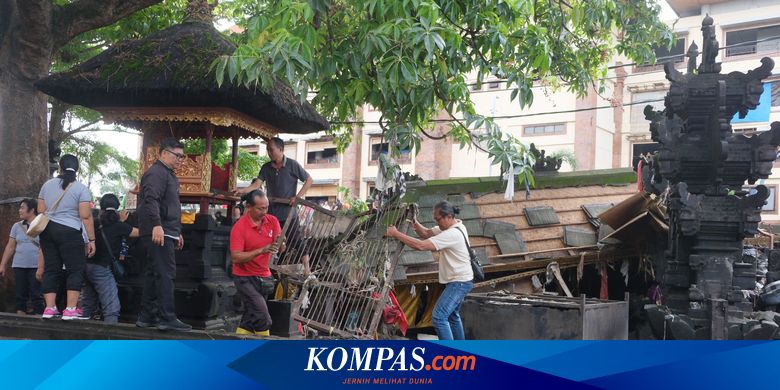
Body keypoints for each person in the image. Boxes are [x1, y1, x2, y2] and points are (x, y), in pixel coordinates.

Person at [385, 201, 473, 340]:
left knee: (439, 317)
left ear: (449, 216)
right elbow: (425, 233)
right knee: (452, 316)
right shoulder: (454, 227)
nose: (437, 223)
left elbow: (421, 245)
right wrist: (414, 221)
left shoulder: (452, 234)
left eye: (438, 219)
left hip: (459, 282)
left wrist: (396, 234)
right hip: (460, 280)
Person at [235, 137, 313, 275]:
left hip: (289, 212)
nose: (269, 153)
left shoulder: (292, 165)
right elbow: (256, 185)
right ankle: (265, 268)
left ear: (281, 149)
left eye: (271, 150)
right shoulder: (266, 167)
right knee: (269, 240)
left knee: (297, 240)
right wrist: (243, 190)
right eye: (268, 150)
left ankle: (307, 270)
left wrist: (297, 197)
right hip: (271, 211)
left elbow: (309, 179)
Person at [136, 137, 191, 331]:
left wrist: (176, 232)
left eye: (182, 157)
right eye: (178, 156)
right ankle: (166, 317)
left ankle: (147, 315)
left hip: (166, 229)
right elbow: (151, 200)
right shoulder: (156, 173)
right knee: (166, 273)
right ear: (164, 153)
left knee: (154, 273)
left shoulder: (166, 174)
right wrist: (157, 225)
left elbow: (170, 205)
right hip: (158, 229)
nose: (180, 160)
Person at [37, 154, 96, 320]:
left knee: (51, 269)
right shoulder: (81, 188)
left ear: (61, 167)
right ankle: (70, 309)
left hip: (47, 231)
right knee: (75, 269)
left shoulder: (46, 185)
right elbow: (85, 216)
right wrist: (91, 240)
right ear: (76, 169)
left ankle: (49, 308)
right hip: (70, 232)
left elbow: (41, 210)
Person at [229, 190, 283, 336]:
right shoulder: (239, 227)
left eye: (266, 207)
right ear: (249, 207)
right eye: (260, 208)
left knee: (249, 318)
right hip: (244, 277)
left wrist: (281, 243)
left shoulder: (272, 221)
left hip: (264, 276)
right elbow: (236, 257)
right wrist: (261, 250)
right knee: (263, 317)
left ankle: (237, 347)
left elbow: (281, 246)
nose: (264, 212)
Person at [81, 194, 139, 323]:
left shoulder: (94, 223)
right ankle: (109, 338)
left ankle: (82, 334)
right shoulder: (119, 225)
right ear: (117, 207)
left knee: (88, 303)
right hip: (102, 269)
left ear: (101, 206)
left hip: (86, 266)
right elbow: (139, 232)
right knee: (111, 307)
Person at [0, 199, 45, 315]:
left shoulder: (42, 225)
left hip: (36, 265)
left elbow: (45, 247)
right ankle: (20, 319)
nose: (20, 210)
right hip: (19, 265)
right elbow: (10, 247)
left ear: (32, 210)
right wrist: (3, 264)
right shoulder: (17, 226)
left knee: (36, 295)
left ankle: (39, 321)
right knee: (20, 295)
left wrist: (42, 267)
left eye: (22, 208)